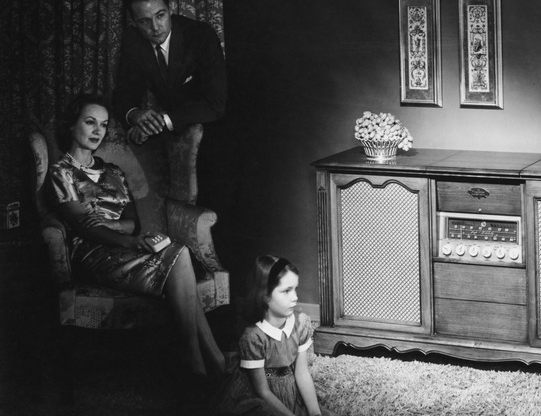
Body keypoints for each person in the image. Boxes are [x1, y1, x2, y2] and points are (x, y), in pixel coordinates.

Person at [46, 92, 226, 383]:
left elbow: (132, 222)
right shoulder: (61, 173)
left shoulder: (113, 171)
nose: (97, 131)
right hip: (91, 254)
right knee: (177, 256)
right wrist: (126, 238)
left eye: (103, 125)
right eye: (90, 122)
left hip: (120, 248)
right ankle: (201, 362)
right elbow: (84, 228)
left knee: (178, 251)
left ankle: (203, 361)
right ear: (71, 125)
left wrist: (117, 230)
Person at [216, 255, 333, 416]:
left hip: (290, 389)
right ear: (265, 295)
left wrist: (315, 412)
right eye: (286, 291)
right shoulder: (254, 337)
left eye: (295, 289)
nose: (295, 297)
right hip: (265, 398)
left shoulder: (300, 324)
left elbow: (302, 372)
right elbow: (262, 391)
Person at [113, 0, 226, 145]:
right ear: (134, 22)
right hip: (174, 135)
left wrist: (158, 123)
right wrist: (135, 114)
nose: (155, 27)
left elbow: (215, 103)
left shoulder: (201, 36)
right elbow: (124, 94)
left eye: (160, 15)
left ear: (170, 9)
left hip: (218, 129)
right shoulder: (133, 41)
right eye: (144, 21)